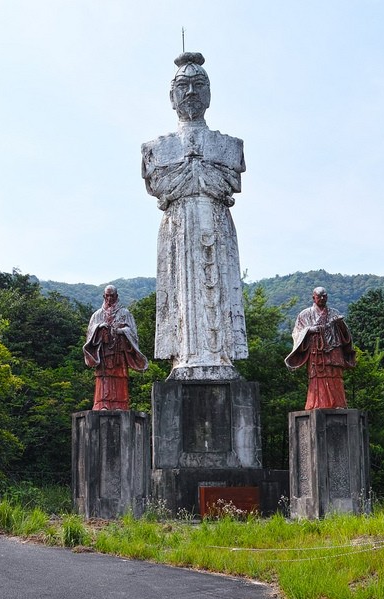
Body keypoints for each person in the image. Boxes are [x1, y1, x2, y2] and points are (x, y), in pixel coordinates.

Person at [142, 52, 248, 381]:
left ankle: (221, 358)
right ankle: (185, 358)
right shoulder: (157, 148)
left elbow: (230, 181)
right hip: (178, 226)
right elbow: (160, 186)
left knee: (220, 297)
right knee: (182, 304)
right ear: (171, 96)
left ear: (209, 93)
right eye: (183, 86)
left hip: (217, 222)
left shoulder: (228, 145)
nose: (191, 92)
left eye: (198, 85)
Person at [285, 287, 357, 409]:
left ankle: (339, 403)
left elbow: (346, 335)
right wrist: (309, 330)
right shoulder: (305, 314)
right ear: (314, 298)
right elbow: (296, 333)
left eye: (325, 296)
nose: (323, 298)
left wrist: (340, 325)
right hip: (316, 350)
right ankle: (317, 403)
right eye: (319, 296)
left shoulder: (334, 313)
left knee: (336, 374)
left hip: (334, 348)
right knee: (317, 375)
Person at [83, 285, 149, 410]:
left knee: (120, 376)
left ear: (117, 296)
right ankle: (102, 404)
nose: (109, 298)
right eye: (107, 295)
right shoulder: (97, 315)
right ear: (104, 296)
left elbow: (133, 333)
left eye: (112, 295)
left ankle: (120, 404)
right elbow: (90, 333)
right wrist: (99, 328)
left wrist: (122, 331)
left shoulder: (125, 313)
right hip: (103, 353)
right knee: (103, 377)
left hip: (119, 352)